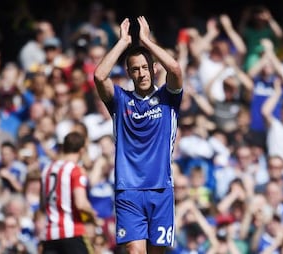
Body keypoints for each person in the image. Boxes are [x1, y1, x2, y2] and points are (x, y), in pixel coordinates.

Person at [94, 16, 183, 254]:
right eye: (135, 69)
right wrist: (123, 42)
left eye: (145, 67)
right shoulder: (121, 100)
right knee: (135, 252)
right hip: (128, 189)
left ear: (154, 69)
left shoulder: (168, 98)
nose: (142, 73)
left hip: (161, 189)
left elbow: (174, 68)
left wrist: (146, 40)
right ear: (129, 73)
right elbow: (100, 76)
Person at [40, 131, 96, 254]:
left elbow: (42, 204)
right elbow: (81, 203)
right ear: (81, 151)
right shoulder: (75, 170)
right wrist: (93, 216)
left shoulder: (47, 170)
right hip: (72, 232)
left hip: (50, 234)